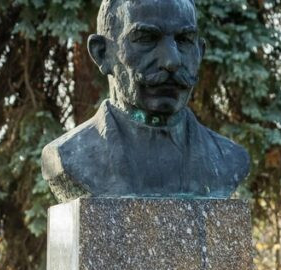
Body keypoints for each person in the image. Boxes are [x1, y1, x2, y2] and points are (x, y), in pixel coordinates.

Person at [41, 0, 250, 200]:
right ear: (102, 53)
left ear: (200, 52)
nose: (172, 61)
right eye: (146, 38)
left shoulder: (229, 159)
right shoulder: (70, 155)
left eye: (184, 40)